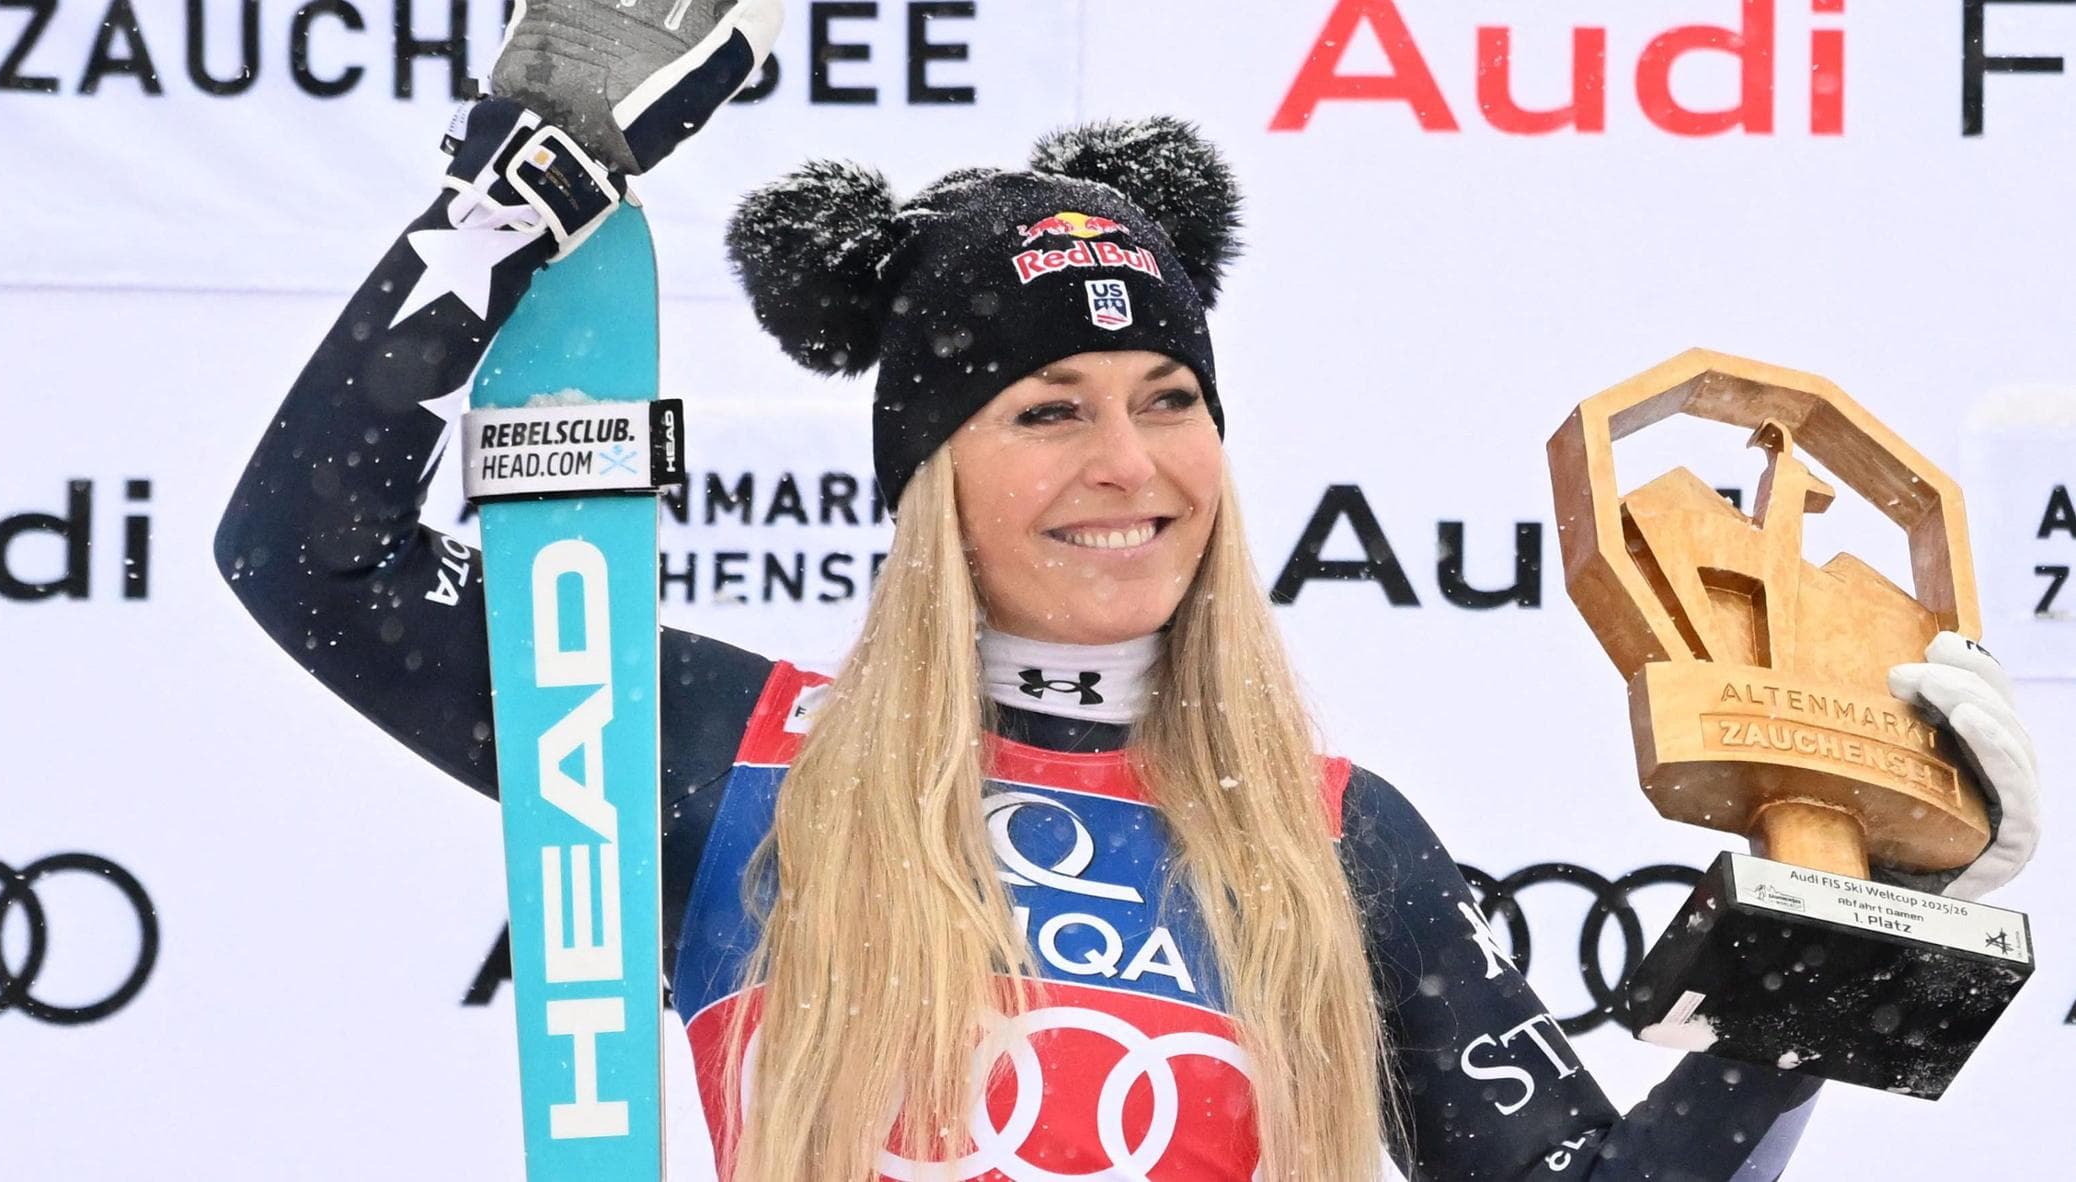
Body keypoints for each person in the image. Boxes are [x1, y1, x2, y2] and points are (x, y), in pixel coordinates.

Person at [213, 2, 2042, 1179]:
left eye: (1170, 399)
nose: (1129, 463)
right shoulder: (737, 756)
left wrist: (1855, 916)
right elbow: (315, 556)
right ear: (930, 478)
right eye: (1048, 409)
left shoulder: (1331, 837)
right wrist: (519, 187)